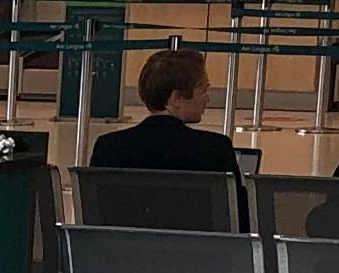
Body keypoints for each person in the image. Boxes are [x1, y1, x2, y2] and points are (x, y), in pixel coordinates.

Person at [93, 43, 242, 174]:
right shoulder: (214, 149)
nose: (207, 98)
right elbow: (237, 204)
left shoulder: (108, 148)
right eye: (203, 90)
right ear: (176, 98)